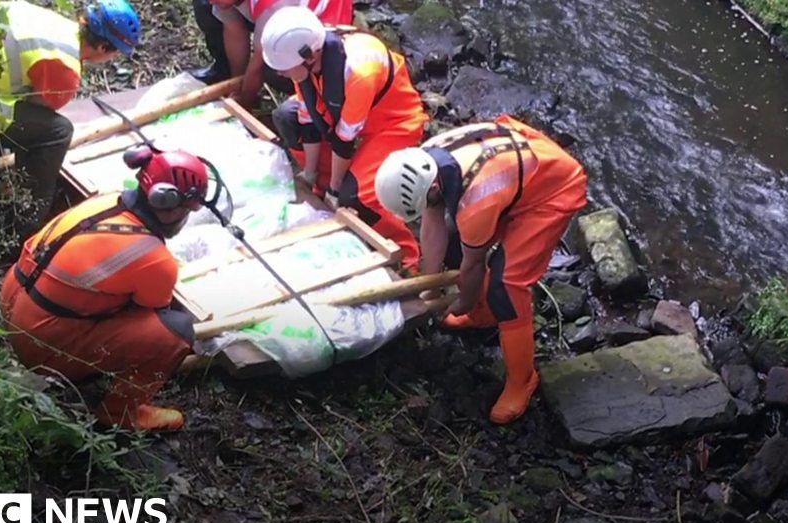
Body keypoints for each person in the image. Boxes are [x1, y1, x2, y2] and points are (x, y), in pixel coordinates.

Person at [375, 116, 589, 424]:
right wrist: (429, 290)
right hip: (519, 173)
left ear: (432, 186)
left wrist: (464, 300)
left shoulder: (477, 200)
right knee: (454, 241)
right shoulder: (428, 160)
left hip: (553, 190)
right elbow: (433, 224)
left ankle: (522, 380)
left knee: (508, 285)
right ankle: (482, 317)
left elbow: (473, 264)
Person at [0, 149, 210, 431]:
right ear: (169, 205)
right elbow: (147, 313)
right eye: (187, 210)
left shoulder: (107, 201)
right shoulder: (155, 258)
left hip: (13, 302)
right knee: (173, 330)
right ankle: (121, 412)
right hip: (38, 345)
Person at [0, 0, 142, 235]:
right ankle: (25, 224)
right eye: (116, 52)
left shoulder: (49, 21)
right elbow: (34, 117)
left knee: (10, 105)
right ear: (103, 48)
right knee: (56, 133)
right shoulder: (64, 66)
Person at [263, 6, 428, 271]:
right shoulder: (305, 58)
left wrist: (337, 190)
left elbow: (344, 140)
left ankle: (407, 256)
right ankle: (325, 190)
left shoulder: (359, 72)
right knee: (287, 116)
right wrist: (310, 174)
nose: (280, 74)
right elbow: (308, 122)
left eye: (284, 68)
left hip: (392, 123)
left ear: (309, 56)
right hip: (345, 116)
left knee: (357, 194)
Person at [189, 0, 353, 106]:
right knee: (205, 6)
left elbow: (258, 66)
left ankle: (310, 98)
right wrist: (236, 83)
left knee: (273, 66)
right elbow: (234, 31)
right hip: (277, 17)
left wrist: (243, 102)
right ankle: (226, 75)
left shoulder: (276, 8)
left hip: (318, 40)